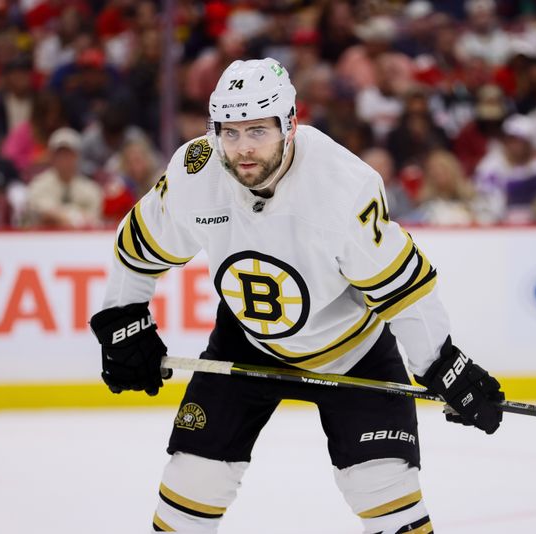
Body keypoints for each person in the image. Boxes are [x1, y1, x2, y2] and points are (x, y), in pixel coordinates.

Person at [89, 58, 504, 533]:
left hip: (353, 352)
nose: (242, 149)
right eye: (230, 132)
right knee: (192, 483)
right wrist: (123, 319)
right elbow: (138, 247)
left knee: (383, 490)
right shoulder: (195, 173)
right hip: (247, 343)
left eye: (258, 131)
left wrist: (443, 364)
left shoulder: (342, 188)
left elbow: (405, 291)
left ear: (290, 124)